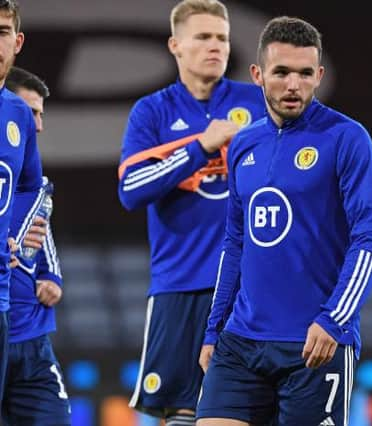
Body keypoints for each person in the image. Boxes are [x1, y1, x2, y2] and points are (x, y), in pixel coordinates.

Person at [196, 16, 372, 426]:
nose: (293, 84)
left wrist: (335, 318)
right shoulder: (245, 145)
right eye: (281, 72)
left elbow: (370, 237)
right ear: (258, 74)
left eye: (304, 73)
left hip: (313, 343)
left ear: (318, 75)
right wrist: (214, 328)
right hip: (241, 340)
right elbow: (235, 242)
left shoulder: (347, 139)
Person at [117, 0, 265, 424]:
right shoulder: (152, 111)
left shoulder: (256, 103)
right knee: (181, 412)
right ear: (175, 45)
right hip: (180, 283)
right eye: (203, 37)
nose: (215, 46)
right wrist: (200, 147)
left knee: (251, 408)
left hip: (248, 287)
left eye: (221, 37)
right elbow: (131, 189)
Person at [1, 66, 70, 426]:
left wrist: (53, 279)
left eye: (41, 115)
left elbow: (45, 241)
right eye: (31, 113)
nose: (38, 125)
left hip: (32, 339)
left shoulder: (36, 186)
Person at [0, 0, 44, 405]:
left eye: (0, 32)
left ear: (17, 42)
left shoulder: (17, 113)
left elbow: (31, 185)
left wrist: (11, 233)